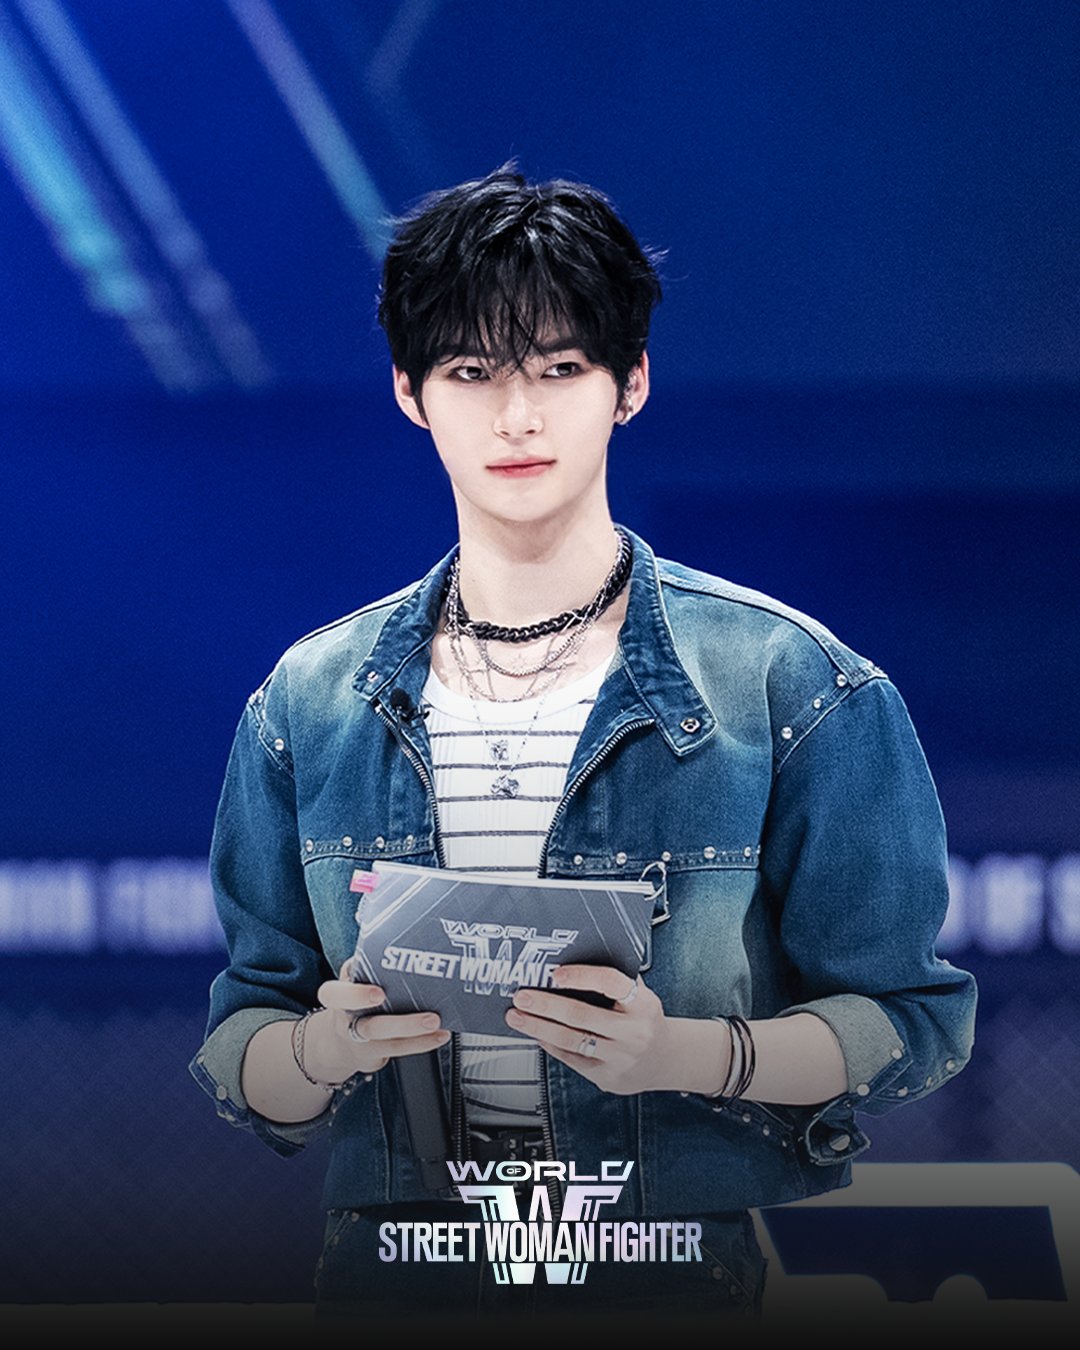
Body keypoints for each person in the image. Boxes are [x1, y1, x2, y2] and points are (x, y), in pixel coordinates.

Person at [190, 165, 976, 1326]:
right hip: (397, 1283)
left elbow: (911, 1020)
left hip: (675, 1282)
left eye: (559, 369)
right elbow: (243, 1040)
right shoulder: (311, 701)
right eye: (473, 372)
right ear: (410, 392)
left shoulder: (787, 683)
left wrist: (688, 1056)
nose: (517, 416)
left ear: (630, 382)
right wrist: (321, 1051)